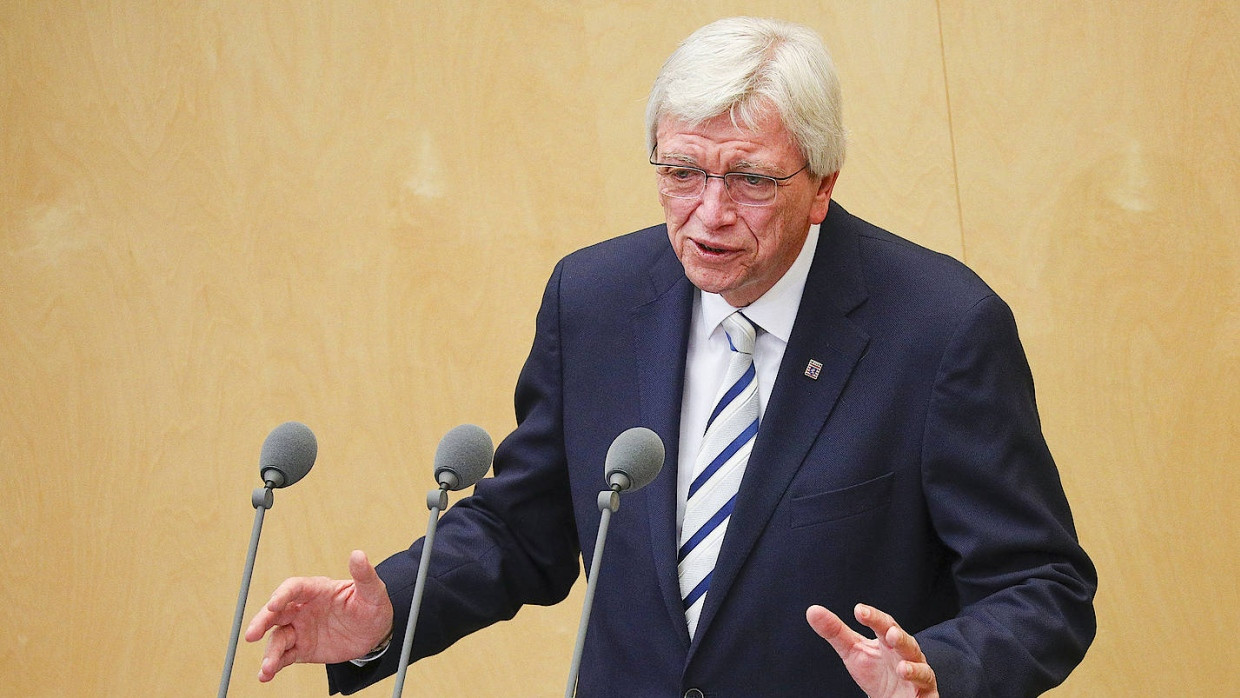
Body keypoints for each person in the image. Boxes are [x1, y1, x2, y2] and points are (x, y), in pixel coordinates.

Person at [246, 17, 1096, 697]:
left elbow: (1043, 586)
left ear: (824, 182)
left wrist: (937, 672)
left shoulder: (940, 328)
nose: (709, 214)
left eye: (751, 181)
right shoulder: (595, 301)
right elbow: (525, 528)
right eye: (682, 172)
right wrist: (389, 611)